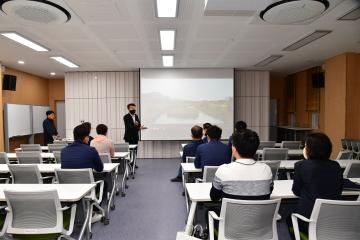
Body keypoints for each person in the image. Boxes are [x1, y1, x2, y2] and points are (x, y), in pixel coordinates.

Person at [290, 132, 360, 237]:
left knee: (288, 220)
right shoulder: (335, 166)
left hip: (310, 221)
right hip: (334, 221)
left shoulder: (301, 165)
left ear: (310, 149)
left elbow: (296, 191)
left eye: (305, 146)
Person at [210, 129, 273, 201]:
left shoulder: (223, 170)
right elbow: (269, 191)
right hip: (261, 212)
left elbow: (214, 197)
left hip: (231, 212)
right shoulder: (266, 169)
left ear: (234, 149)